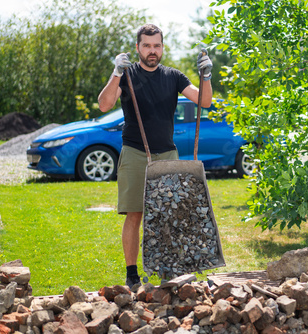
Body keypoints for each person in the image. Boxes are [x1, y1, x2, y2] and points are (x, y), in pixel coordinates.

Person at [98, 23, 213, 289]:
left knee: (169, 215)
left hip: (167, 153)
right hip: (135, 153)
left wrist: (206, 75)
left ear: (162, 47)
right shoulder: (126, 75)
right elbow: (105, 104)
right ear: (138, 47)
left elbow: (204, 102)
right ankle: (131, 274)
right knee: (135, 214)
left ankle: (168, 270)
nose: (152, 50)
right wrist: (116, 72)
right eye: (147, 45)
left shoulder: (173, 76)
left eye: (157, 45)